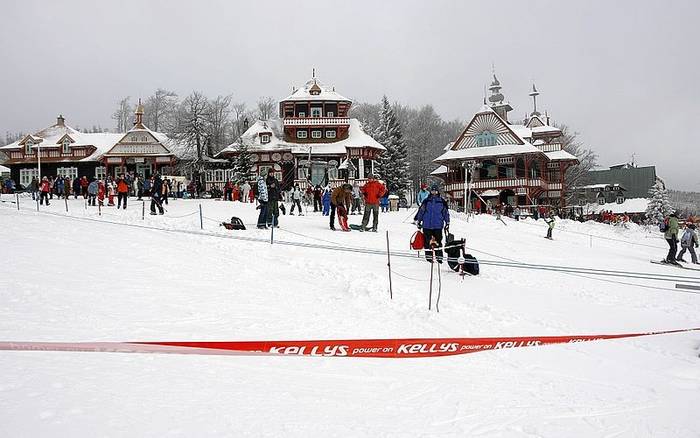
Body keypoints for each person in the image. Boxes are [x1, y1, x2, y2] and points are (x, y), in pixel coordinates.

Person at [414, 183, 450, 263]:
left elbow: (445, 213)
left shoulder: (441, 202)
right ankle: (429, 258)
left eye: (435, 191)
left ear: (438, 192)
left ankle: (439, 258)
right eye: (433, 191)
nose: (434, 192)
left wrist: (447, 222)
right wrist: (419, 220)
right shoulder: (426, 201)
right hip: (427, 225)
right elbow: (421, 211)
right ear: (431, 191)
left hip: (438, 225)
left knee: (438, 241)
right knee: (427, 242)